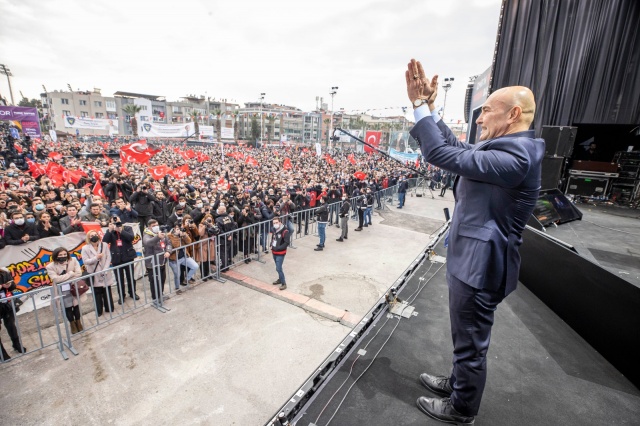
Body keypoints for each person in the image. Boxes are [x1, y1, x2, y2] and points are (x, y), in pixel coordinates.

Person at [405, 58, 544, 424]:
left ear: (513, 114)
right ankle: (457, 383)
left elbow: (441, 154)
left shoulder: (517, 156)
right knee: (464, 336)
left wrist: (419, 106)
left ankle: (461, 408)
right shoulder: (505, 148)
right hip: (472, 259)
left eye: (486, 112)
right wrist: (432, 110)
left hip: (481, 268)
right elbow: (457, 148)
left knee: (471, 344)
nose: (479, 119)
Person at [46, 247, 83, 334]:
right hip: (61, 290)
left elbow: (79, 273)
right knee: (67, 308)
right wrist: (70, 274)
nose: (63, 256)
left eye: (64, 254)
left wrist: (62, 278)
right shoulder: (50, 266)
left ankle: (78, 322)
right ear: (56, 255)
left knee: (76, 305)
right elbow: (56, 279)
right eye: (60, 255)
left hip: (74, 287)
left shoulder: (73, 260)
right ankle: (72, 325)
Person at [102, 218, 139, 304]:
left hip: (128, 257)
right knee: (119, 279)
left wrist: (121, 231)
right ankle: (121, 296)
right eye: (114, 222)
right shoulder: (111, 231)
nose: (117, 223)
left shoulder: (127, 228)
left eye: (118, 221)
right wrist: (110, 230)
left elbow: (131, 238)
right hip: (116, 259)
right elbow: (105, 241)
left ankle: (132, 292)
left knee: (130, 277)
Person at [81, 230, 115, 316]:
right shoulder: (85, 248)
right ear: (89, 237)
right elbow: (86, 261)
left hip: (105, 272)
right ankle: (99, 311)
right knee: (97, 293)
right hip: (94, 273)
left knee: (107, 291)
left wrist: (105, 269)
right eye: (92, 235)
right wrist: (96, 258)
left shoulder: (104, 245)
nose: (94, 236)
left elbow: (108, 257)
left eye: (96, 234)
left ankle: (109, 308)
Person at [142, 219, 172, 303]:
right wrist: (157, 237)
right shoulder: (146, 235)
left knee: (162, 279)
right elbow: (148, 243)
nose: (156, 227)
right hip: (152, 263)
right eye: (153, 226)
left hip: (162, 261)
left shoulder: (161, 233)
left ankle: (161, 294)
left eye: (157, 225)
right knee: (154, 281)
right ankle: (155, 297)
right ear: (149, 227)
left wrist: (168, 251)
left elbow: (168, 243)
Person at [0, 268, 27, 355]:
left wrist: (8, 285)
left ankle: (17, 344)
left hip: (6, 304)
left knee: (11, 325)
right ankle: (2, 353)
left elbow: (13, 286)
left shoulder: (4, 273)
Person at [167, 222, 198, 293]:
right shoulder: (169, 236)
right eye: (178, 229)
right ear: (174, 229)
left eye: (180, 228)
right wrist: (177, 237)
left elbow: (189, 242)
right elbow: (175, 246)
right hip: (174, 259)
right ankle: (177, 288)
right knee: (177, 275)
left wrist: (184, 235)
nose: (180, 230)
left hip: (184, 256)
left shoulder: (182, 234)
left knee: (195, 266)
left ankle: (187, 279)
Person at [270, 216, 289, 290]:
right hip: (274, 252)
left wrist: (279, 248)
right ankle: (280, 279)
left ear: (280, 222)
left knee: (278, 268)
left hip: (280, 253)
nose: (275, 224)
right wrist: (271, 244)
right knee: (278, 267)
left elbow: (286, 242)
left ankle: (284, 283)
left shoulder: (285, 231)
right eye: (274, 223)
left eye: (276, 222)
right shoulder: (274, 229)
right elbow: (273, 238)